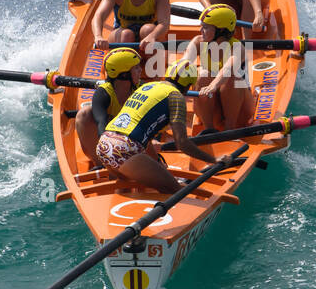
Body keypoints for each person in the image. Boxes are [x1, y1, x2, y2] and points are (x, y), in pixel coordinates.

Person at [95, 60, 231, 192]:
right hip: (125, 149)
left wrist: (157, 164)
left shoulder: (146, 87)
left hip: (104, 144)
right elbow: (182, 143)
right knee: (175, 189)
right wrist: (213, 159)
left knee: (126, 184)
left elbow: (143, 132)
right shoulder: (176, 97)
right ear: (188, 86)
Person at [184, 4, 254, 132]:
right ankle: (209, 130)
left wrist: (213, 86)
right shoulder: (198, 42)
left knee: (233, 78)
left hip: (241, 110)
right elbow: (184, 64)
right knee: (202, 75)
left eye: (205, 27)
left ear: (221, 30)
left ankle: (229, 130)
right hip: (211, 105)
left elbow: (227, 70)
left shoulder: (238, 48)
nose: (201, 30)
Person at [75, 47, 143, 165]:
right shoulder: (103, 93)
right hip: (108, 142)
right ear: (124, 74)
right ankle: (101, 163)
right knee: (84, 114)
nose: (141, 70)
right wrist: (108, 151)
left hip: (133, 140)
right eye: (136, 68)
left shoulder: (141, 90)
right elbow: (101, 122)